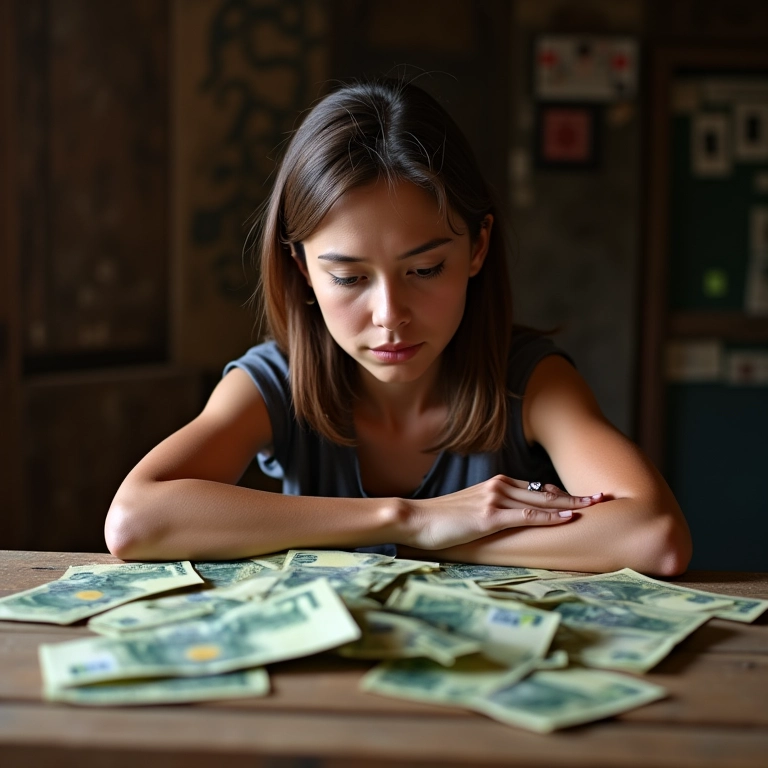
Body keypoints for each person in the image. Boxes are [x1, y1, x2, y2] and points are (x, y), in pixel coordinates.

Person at [105, 78, 691, 575]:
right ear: (302, 268)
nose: (390, 313)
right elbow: (135, 520)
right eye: (350, 278)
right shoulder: (274, 382)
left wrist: (413, 542)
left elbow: (653, 534)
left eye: (426, 268)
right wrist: (415, 520)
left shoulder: (530, 381)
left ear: (478, 248)